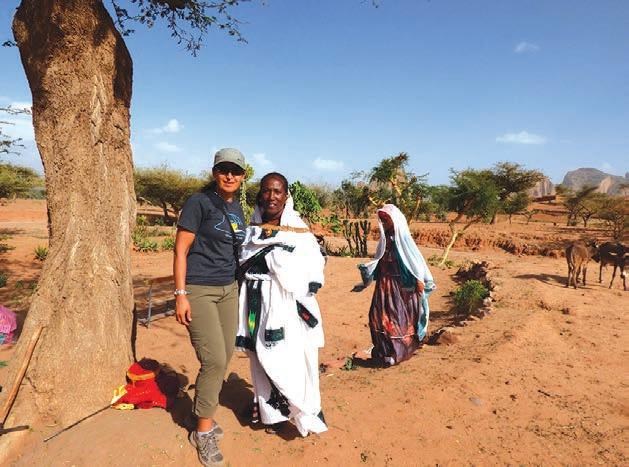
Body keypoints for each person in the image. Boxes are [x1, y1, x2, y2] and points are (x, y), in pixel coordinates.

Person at [235, 172, 328, 437]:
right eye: (266, 191)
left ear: (286, 196)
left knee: (284, 359)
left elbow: (313, 267)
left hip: (285, 306)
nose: (271, 197)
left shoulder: (298, 231)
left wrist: (277, 261)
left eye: (277, 191)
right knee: (259, 358)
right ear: (260, 195)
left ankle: (300, 410)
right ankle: (272, 415)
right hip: (254, 304)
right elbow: (242, 262)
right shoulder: (252, 230)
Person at [174, 148, 247, 466]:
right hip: (199, 289)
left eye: (235, 170)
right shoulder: (199, 202)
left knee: (224, 355)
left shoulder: (238, 208)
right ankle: (202, 432)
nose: (229, 175)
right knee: (214, 359)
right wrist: (180, 293)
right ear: (215, 172)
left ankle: (199, 412)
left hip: (229, 290)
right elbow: (180, 250)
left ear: (243, 176)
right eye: (223, 169)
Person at [358, 204, 435, 366]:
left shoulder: (404, 239)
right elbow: (379, 259)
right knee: (377, 317)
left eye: (386, 220)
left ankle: (397, 353)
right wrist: (368, 271)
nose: (384, 223)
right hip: (384, 286)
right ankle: (383, 351)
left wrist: (419, 279)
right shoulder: (385, 239)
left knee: (396, 319)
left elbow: (414, 261)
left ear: (395, 220)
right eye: (382, 220)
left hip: (399, 287)